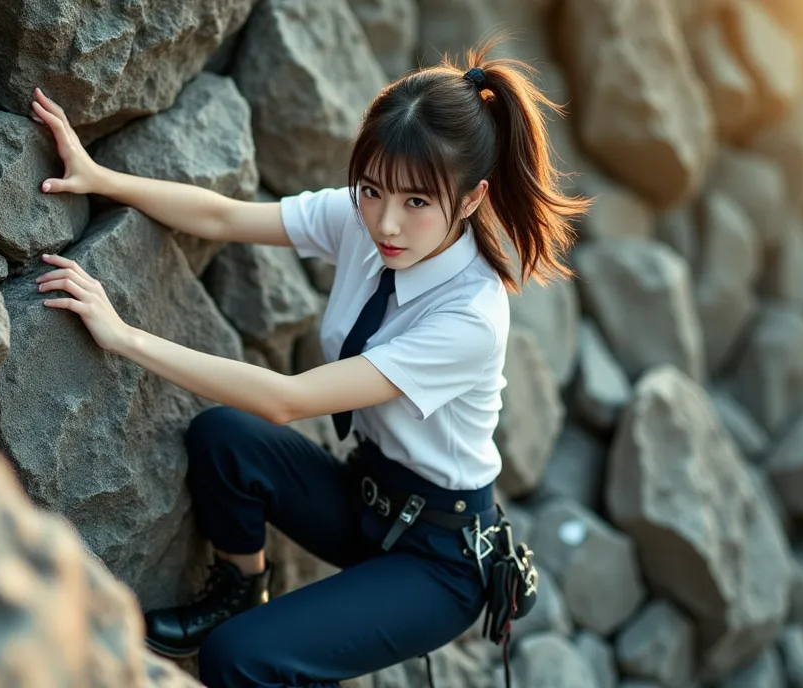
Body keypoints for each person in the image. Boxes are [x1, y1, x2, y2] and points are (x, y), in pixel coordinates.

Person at [30, 37, 585, 688]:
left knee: (236, 660)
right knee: (225, 440)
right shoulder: (363, 219)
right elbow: (225, 215)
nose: (387, 223)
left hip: (435, 558)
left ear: (469, 200)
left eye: (417, 202)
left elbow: (285, 400)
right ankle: (241, 589)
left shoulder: (471, 317)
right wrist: (99, 177)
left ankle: (251, 637)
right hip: (365, 498)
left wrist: (124, 336)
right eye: (374, 188)